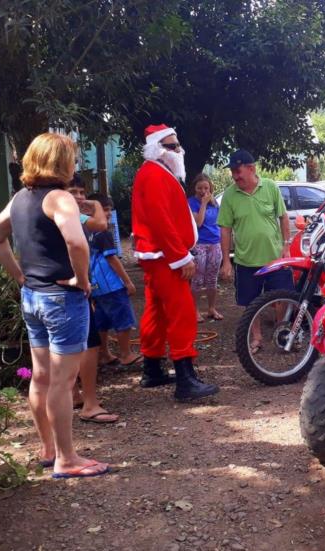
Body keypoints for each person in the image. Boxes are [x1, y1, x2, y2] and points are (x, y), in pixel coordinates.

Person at [0, 132, 108, 478]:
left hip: (33, 298)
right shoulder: (60, 198)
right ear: (61, 162)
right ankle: (67, 460)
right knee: (62, 382)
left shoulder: (20, 199)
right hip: (63, 300)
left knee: (40, 377)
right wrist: (82, 280)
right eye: (72, 158)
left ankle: (48, 449)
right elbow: (77, 242)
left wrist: (20, 276)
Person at [132, 123, 218, 401]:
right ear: (158, 149)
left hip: (157, 257)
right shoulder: (156, 175)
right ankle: (185, 379)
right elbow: (162, 221)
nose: (178, 149)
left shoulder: (156, 173)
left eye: (177, 145)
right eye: (172, 145)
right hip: (165, 257)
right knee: (181, 312)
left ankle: (153, 368)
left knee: (155, 312)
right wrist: (181, 258)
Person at [217, 149, 292, 353]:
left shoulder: (270, 187)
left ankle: (281, 332)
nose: (234, 175)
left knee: (282, 298)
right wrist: (226, 261)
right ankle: (257, 337)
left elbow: (283, 217)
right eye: (232, 171)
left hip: (274, 259)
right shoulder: (230, 195)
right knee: (250, 303)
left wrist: (286, 246)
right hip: (246, 261)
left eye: (237, 170)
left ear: (251, 168)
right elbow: (225, 229)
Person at [65, 178, 119, 424]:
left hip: (53, 286)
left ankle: (74, 394)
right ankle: (89, 402)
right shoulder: (73, 215)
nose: (78, 197)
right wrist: (94, 203)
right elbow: (102, 224)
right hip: (75, 286)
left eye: (81, 192)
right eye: (73, 192)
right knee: (88, 343)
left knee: (66, 345)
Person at [83, 192, 142, 368]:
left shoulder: (86, 231)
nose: (108, 213)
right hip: (111, 284)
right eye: (105, 210)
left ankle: (105, 354)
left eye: (110, 209)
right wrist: (127, 281)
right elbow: (112, 259)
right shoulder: (103, 232)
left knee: (101, 321)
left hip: (96, 284)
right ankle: (126, 354)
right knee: (123, 318)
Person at [187, 173, 223, 322]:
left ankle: (211, 308)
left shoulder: (214, 203)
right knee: (197, 279)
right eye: (199, 188)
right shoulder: (191, 202)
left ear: (210, 188)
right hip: (199, 244)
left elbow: (220, 222)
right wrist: (202, 204)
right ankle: (194, 310)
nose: (203, 191)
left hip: (215, 243)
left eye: (206, 188)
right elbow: (198, 223)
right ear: (195, 188)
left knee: (212, 278)